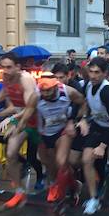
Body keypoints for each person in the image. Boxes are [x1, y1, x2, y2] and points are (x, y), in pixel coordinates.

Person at [76, 57, 109, 215]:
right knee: (86, 160)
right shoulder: (87, 85)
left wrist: (103, 145)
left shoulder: (107, 91)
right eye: (90, 72)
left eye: (97, 72)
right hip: (98, 126)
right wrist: (83, 119)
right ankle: (94, 198)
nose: (93, 76)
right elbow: (86, 104)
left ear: (105, 73)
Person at [0, 52, 39, 209]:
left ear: (18, 67)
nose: (5, 71)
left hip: (37, 120)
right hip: (21, 120)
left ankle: (71, 183)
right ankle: (19, 191)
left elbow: (31, 107)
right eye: (3, 67)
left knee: (46, 159)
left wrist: (10, 119)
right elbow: (5, 91)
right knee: (10, 154)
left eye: (9, 67)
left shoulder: (26, 80)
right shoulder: (6, 77)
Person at [35, 73, 85, 202]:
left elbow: (83, 102)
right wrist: (13, 122)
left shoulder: (68, 91)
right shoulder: (35, 95)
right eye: (43, 91)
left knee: (61, 162)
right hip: (44, 132)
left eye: (49, 91)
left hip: (62, 130)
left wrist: (73, 120)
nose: (45, 94)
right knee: (49, 164)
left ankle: (61, 194)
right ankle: (72, 184)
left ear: (56, 87)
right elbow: (26, 112)